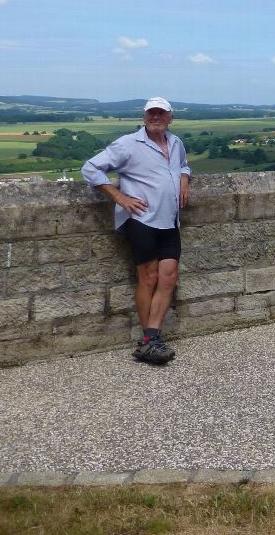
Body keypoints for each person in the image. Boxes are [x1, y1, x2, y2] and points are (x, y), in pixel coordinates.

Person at [81, 97, 191, 365]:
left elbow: (184, 165)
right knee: (149, 277)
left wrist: (184, 180)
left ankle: (152, 338)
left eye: (161, 113)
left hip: (169, 220)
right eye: (151, 113)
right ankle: (148, 340)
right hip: (141, 219)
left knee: (168, 276)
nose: (156, 117)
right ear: (144, 117)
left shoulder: (175, 143)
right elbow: (90, 168)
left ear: (170, 118)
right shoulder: (129, 144)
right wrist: (119, 197)